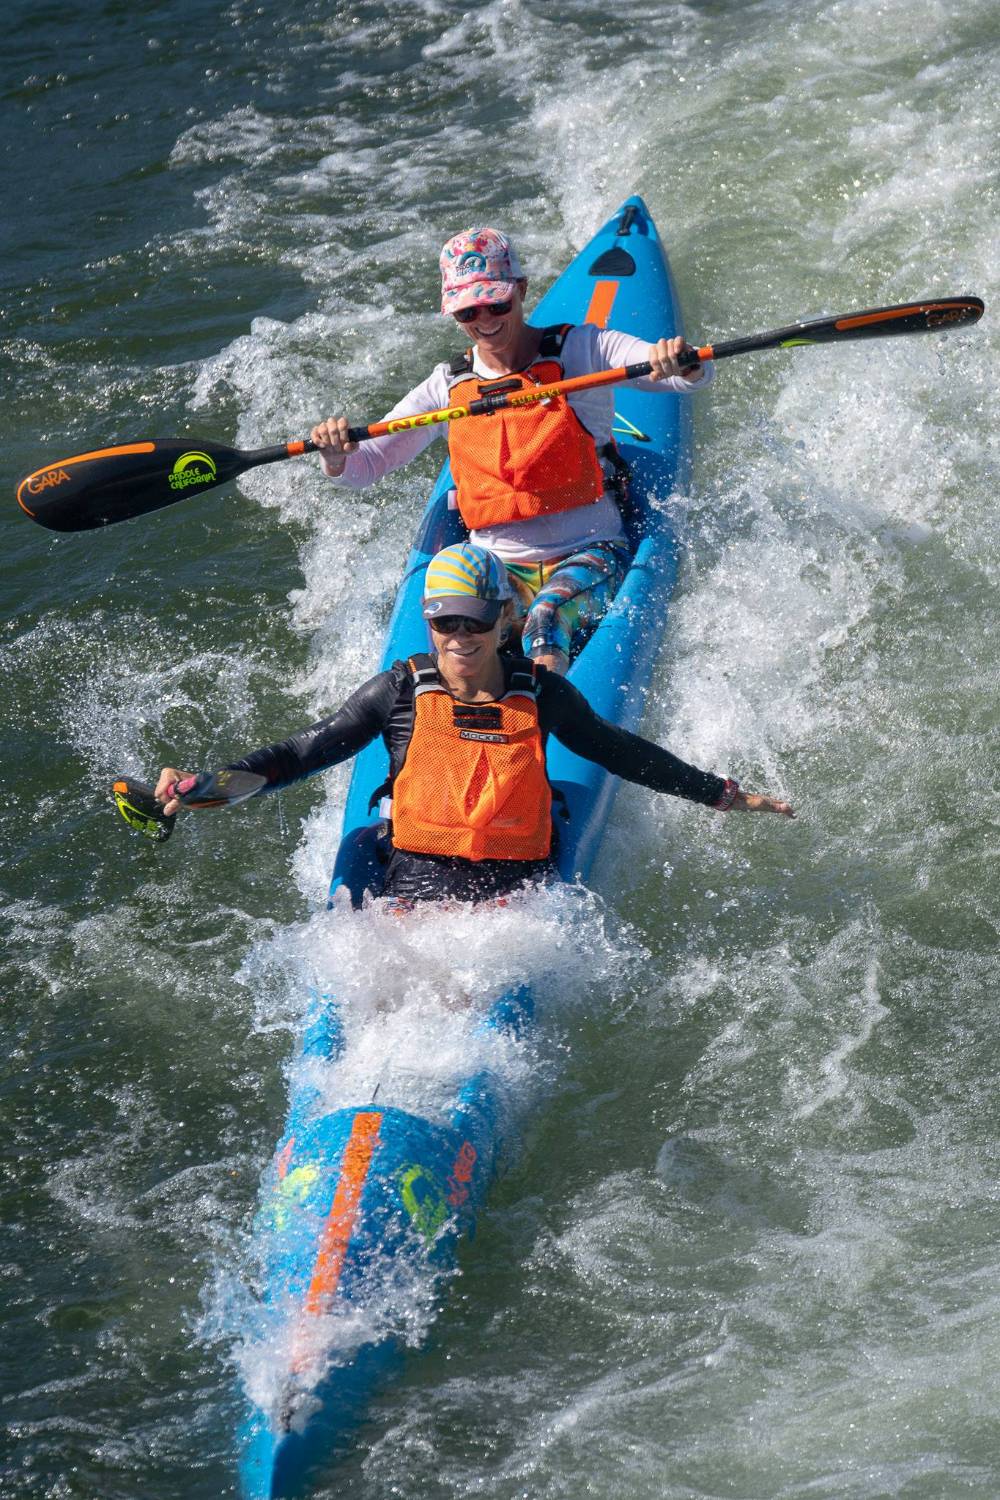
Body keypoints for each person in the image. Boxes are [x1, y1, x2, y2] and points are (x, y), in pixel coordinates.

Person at [156, 544, 794, 907]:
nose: (459, 636)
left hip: (509, 889)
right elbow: (301, 753)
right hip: (410, 875)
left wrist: (724, 794)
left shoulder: (542, 694)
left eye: (476, 621)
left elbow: (622, 753)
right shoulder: (398, 690)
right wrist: (204, 787)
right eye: (444, 622)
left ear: (504, 619)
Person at [309, 227, 714, 676]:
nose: (485, 319)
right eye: (468, 310)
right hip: (495, 567)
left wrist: (680, 361)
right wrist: (335, 456)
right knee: (458, 631)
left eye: (497, 303)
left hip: (588, 551)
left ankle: (544, 722)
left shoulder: (585, 348)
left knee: (546, 619)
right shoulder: (446, 386)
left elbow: (684, 376)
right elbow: (366, 467)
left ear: (520, 290)